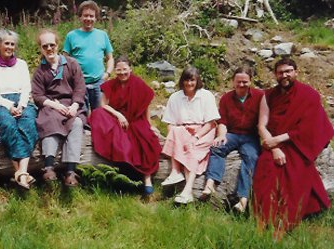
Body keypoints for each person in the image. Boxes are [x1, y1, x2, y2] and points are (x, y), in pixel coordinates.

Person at [253, 58, 334, 238]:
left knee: (295, 174)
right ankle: (263, 219)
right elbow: (261, 126)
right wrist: (273, 147)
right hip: (273, 144)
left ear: (296, 72)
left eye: (288, 71)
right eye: (281, 72)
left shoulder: (309, 95)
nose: (285, 75)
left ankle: (284, 223)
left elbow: (307, 127)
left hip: (296, 144)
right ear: (275, 75)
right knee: (264, 172)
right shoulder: (267, 96)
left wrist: (278, 140)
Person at [88, 56, 162, 195]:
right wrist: (119, 115)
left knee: (146, 139)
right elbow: (103, 105)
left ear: (130, 69)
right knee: (98, 113)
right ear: (115, 71)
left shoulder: (138, 83)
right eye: (119, 70)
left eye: (125, 70)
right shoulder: (111, 84)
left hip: (135, 119)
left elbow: (145, 106)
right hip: (117, 118)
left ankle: (147, 178)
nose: (122, 73)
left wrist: (150, 125)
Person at [201, 66, 264, 212]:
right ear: (233, 82)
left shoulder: (260, 97)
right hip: (233, 134)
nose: (241, 85)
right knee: (217, 148)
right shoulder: (226, 98)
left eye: (245, 82)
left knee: (252, 158)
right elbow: (223, 122)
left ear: (250, 81)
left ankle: (242, 199)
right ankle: (210, 184)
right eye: (238, 82)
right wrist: (221, 135)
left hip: (251, 136)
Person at [0, 29, 38, 190]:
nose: (9, 47)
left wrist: (21, 105)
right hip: (0, 103)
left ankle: (21, 173)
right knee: (8, 125)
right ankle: (22, 173)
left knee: (28, 124)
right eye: (6, 43)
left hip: (22, 101)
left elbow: (26, 88)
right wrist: (10, 107)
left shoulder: (21, 64)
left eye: (12, 44)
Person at [31, 29, 86, 187]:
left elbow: (80, 88)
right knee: (49, 121)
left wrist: (75, 105)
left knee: (76, 123)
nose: (49, 49)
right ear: (41, 48)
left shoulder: (71, 64)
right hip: (51, 106)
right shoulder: (40, 71)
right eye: (45, 46)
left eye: (52, 45)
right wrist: (54, 105)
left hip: (71, 104)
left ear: (58, 45)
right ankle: (48, 166)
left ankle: (70, 170)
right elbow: (38, 95)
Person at [161, 66, 220, 204]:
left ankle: (187, 191)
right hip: (183, 129)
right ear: (182, 81)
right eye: (186, 80)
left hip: (204, 130)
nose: (189, 84)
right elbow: (170, 123)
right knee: (175, 132)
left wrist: (196, 137)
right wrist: (176, 141)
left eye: (192, 80)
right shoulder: (175, 97)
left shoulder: (206, 95)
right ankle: (175, 172)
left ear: (197, 80)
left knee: (192, 149)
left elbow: (211, 123)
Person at [63, 0, 114, 112]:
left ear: (96, 18)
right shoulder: (71, 36)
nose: (88, 19)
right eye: (85, 15)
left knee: (101, 113)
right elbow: (64, 60)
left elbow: (110, 58)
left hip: (99, 82)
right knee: (81, 115)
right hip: (79, 84)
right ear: (80, 17)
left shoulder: (102, 35)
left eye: (92, 16)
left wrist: (107, 73)